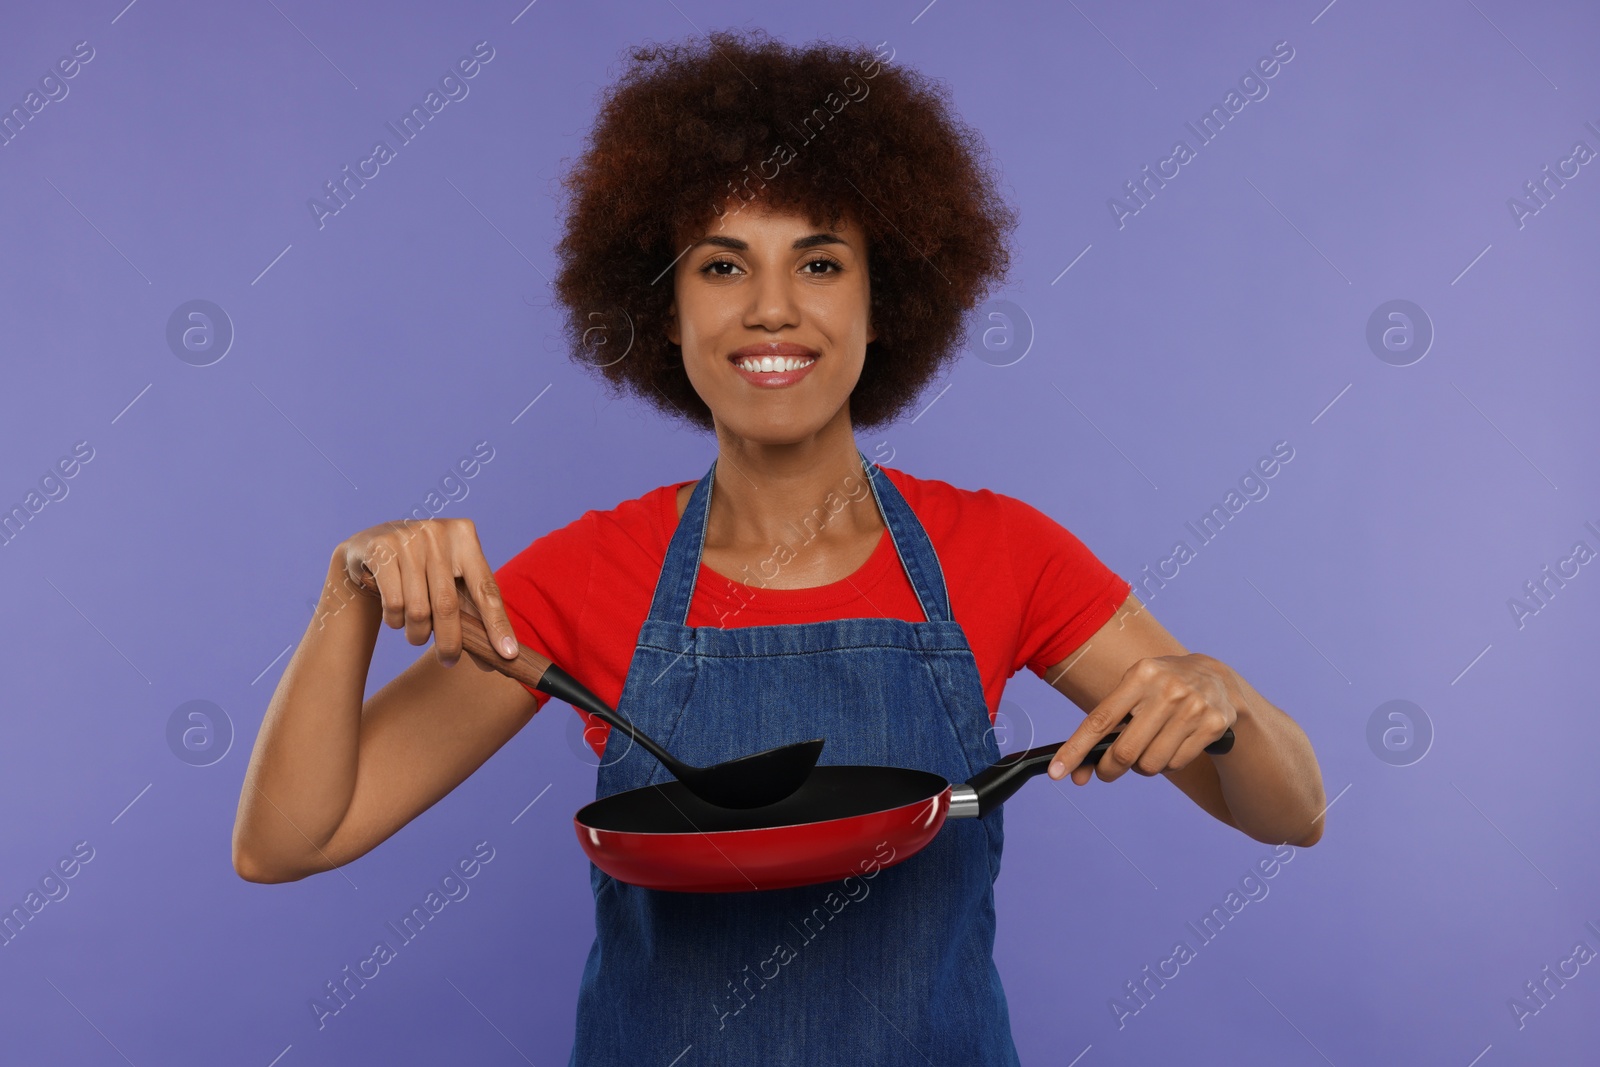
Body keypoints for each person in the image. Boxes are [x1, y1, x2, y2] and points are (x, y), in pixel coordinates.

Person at [232, 29, 1326, 1065]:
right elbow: (287, 842)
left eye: (816, 263)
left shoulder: (998, 551)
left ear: (880, 297)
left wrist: (1222, 700)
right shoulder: (588, 574)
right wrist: (349, 594)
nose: (768, 309)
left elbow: (1289, 812)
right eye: (719, 266)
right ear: (661, 310)